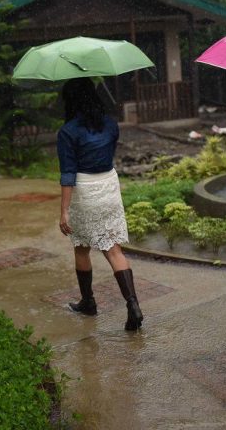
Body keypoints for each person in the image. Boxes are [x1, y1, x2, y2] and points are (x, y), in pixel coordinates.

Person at [57, 78, 143, 331]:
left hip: (85, 190)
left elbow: (67, 174)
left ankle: (88, 302)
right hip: (108, 185)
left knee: (81, 247)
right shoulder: (110, 124)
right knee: (114, 250)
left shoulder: (68, 131)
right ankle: (133, 304)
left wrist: (64, 211)